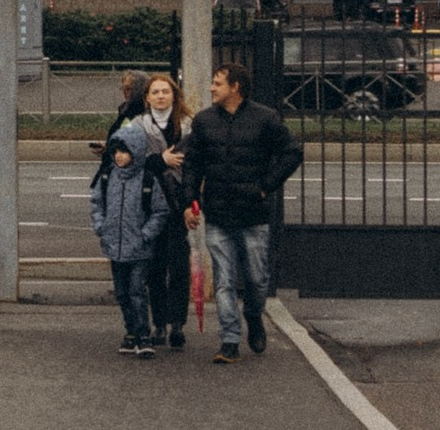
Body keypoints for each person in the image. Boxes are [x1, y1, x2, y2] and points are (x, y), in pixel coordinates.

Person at [179, 63, 304, 364]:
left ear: (235, 87)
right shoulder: (205, 121)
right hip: (218, 213)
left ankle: (254, 316)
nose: (211, 88)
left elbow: (292, 151)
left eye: (218, 83)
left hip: (254, 214)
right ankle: (230, 340)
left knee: (257, 279)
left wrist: (265, 186)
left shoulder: (265, 119)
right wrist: (189, 202)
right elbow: (192, 164)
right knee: (223, 280)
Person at [90, 116, 169, 357]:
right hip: (115, 245)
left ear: (136, 152)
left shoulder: (147, 179)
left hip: (139, 248)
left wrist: (146, 234)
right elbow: (96, 203)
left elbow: (160, 211)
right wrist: (101, 226)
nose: (119, 157)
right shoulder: (108, 176)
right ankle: (130, 331)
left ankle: (143, 333)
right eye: (116, 152)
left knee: (136, 291)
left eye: (125, 152)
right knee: (122, 293)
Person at [129, 72, 193, 351]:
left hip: (179, 201)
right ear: (146, 98)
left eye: (165, 91)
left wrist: (193, 199)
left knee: (179, 264)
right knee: (154, 265)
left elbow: (195, 164)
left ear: (174, 95)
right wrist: (160, 160)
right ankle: (159, 324)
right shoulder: (137, 125)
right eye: (154, 92)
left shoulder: (188, 125)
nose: (160, 96)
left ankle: (178, 323)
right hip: (149, 202)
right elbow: (129, 162)